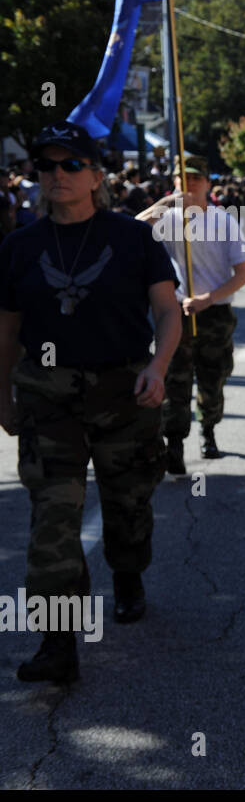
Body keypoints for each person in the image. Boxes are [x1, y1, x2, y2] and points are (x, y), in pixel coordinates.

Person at [0, 122, 181, 682]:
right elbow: (6, 332)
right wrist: (1, 397)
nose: (56, 175)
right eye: (46, 165)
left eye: (70, 165)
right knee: (53, 517)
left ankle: (127, 573)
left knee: (128, 509)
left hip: (123, 392)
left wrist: (158, 365)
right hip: (47, 399)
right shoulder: (20, 246)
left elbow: (169, 312)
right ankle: (59, 643)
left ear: (97, 176)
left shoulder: (132, 238)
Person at [138, 157, 245, 469]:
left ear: (207, 183)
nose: (189, 185)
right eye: (182, 179)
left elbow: (241, 275)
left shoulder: (224, 220)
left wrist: (207, 298)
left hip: (214, 313)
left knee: (212, 378)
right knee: (175, 379)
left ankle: (209, 431)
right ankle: (174, 444)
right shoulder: (168, 217)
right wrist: (166, 203)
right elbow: (132, 229)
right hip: (176, 313)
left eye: (195, 179)